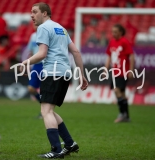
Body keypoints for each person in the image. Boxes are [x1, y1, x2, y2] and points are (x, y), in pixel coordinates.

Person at [20, 3, 88, 158]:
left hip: (52, 72)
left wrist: (25, 62)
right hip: (65, 73)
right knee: (50, 111)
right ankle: (69, 143)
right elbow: (76, 52)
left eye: (34, 12)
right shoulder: (61, 28)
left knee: (46, 111)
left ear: (44, 13)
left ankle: (56, 150)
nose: (31, 15)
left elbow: (42, 54)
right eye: (31, 12)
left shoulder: (43, 28)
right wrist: (82, 74)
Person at [104, 24, 135, 123]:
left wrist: (131, 70)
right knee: (122, 93)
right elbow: (109, 56)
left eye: (115, 32)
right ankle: (126, 116)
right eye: (112, 32)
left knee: (117, 90)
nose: (113, 34)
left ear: (121, 32)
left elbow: (132, 56)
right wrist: (105, 69)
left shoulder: (124, 42)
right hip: (115, 71)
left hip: (123, 71)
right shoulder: (112, 42)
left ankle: (122, 114)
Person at [26, 25, 43, 119]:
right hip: (36, 65)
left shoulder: (46, 35)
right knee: (30, 88)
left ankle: (44, 111)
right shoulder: (32, 36)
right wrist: (28, 63)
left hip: (46, 64)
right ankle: (44, 107)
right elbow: (31, 51)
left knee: (44, 89)